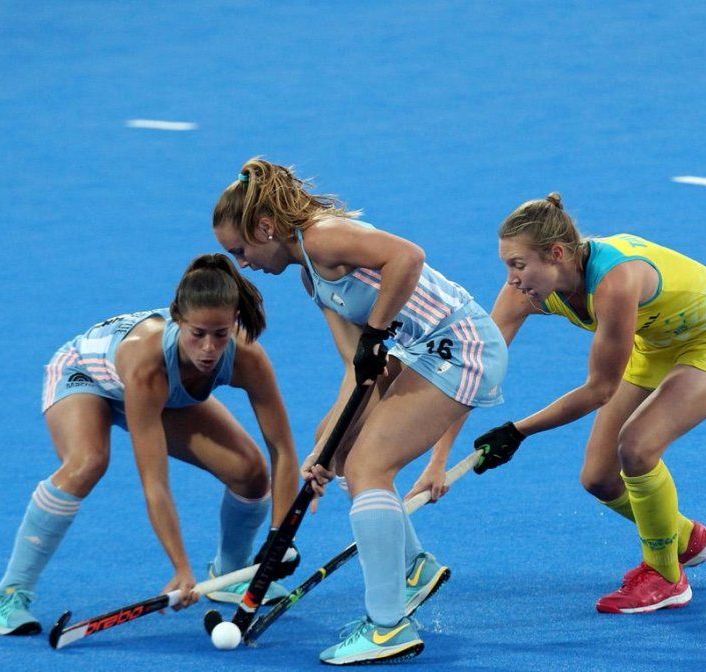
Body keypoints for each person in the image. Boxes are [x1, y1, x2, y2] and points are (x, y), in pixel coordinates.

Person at [212, 158, 507, 665]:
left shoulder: (323, 237)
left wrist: (376, 330)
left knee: (370, 466)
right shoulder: (312, 277)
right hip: (427, 352)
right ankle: (413, 568)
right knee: (344, 453)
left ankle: (387, 627)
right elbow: (360, 369)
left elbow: (408, 257)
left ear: (265, 228)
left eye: (240, 251)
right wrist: (326, 448)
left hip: (462, 347)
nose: (242, 264)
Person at [471, 193, 706, 614]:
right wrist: (435, 460)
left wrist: (517, 432)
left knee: (637, 448)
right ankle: (684, 538)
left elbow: (599, 390)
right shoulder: (528, 289)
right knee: (600, 478)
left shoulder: (615, 283)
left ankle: (665, 576)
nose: (512, 279)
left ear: (556, 254)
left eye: (518, 264)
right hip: (658, 342)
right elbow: (476, 366)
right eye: (507, 266)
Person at [0, 254, 299, 636]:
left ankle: (230, 573)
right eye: (197, 333)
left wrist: (280, 537)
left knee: (250, 472)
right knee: (88, 462)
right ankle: (9, 594)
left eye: (220, 334)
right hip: (84, 376)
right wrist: (181, 567)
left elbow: (282, 450)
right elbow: (155, 483)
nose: (208, 348)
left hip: (160, 395)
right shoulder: (147, 364)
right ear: (178, 319)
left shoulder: (247, 357)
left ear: (234, 321)